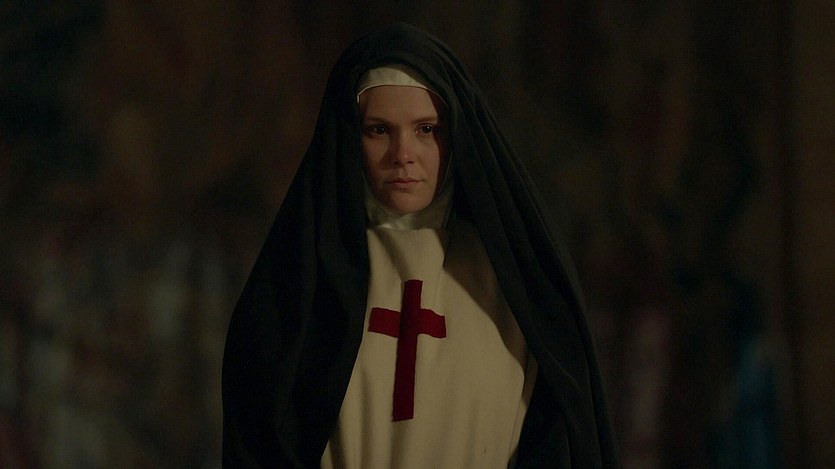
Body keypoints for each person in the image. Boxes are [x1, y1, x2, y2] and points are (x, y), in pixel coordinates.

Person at [222, 23, 618, 468]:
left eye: (426, 129)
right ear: (348, 136)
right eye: (378, 130)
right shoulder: (298, 286)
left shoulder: (516, 285)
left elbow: (559, 442)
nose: (402, 154)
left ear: (455, 134)